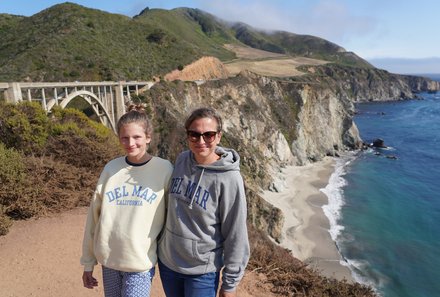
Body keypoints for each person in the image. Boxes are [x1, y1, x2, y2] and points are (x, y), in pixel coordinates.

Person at [80, 104, 173, 297]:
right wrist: (88, 263)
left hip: (140, 262)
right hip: (110, 261)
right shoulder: (111, 169)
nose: (131, 142)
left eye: (137, 137)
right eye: (125, 137)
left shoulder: (164, 169)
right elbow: (93, 218)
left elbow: (173, 217)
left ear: (148, 137)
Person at [158, 107, 250, 297]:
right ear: (187, 136)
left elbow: (236, 232)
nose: (201, 141)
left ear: (218, 136)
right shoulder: (182, 160)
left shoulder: (229, 179)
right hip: (168, 263)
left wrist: (230, 283)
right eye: (194, 134)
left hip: (201, 271)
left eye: (208, 135)